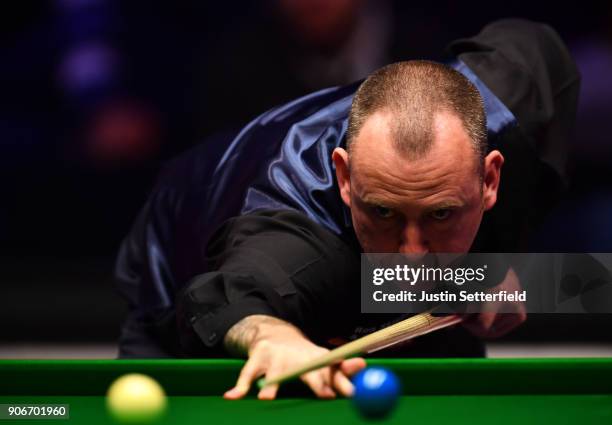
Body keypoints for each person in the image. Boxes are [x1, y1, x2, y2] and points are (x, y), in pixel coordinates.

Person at [114, 19, 580, 400]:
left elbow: (537, 44)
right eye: (383, 212)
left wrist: (487, 265)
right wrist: (273, 337)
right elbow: (225, 295)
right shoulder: (296, 236)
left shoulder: (511, 98)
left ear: (490, 179)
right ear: (345, 178)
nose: (412, 257)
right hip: (181, 254)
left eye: (440, 214)